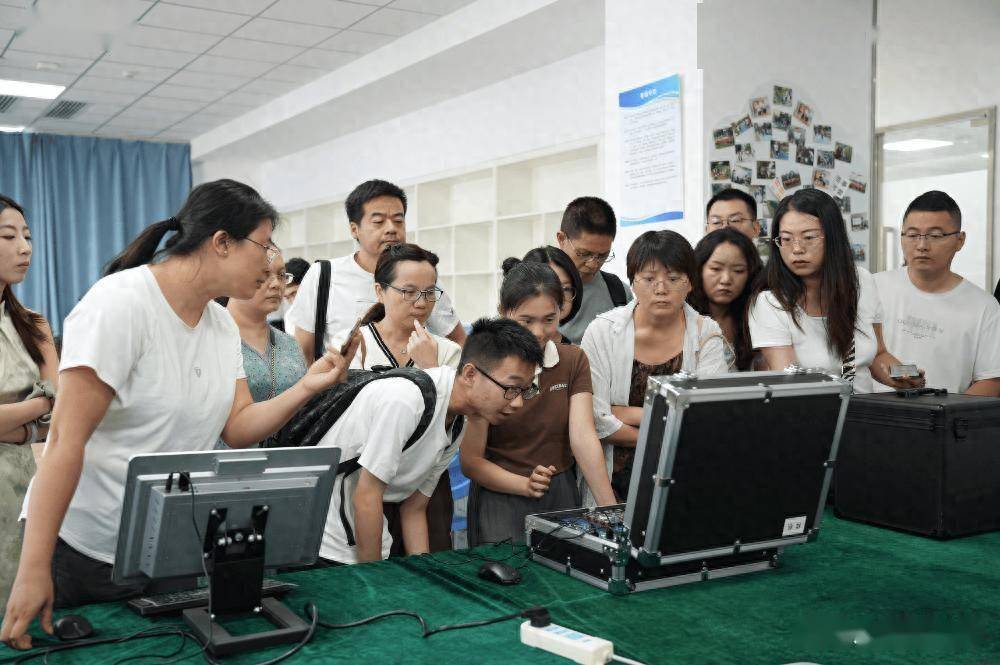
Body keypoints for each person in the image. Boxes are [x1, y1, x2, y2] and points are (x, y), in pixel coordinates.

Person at [1, 180, 359, 648]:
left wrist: (309, 386)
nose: (272, 263)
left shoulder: (220, 324)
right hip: (83, 550)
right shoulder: (120, 304)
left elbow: (238, 428)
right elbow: (64, 443)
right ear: (222, 242)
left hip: (166, 544)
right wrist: (33, 568)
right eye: (264, 244)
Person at [315, 318, 543, 565]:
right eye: (511, 388)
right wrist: (373, 578)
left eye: (525, 390)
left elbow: (414, 507)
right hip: (325, 537)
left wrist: (426, 571)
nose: (518, 403)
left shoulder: (458, 421)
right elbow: (366, 497)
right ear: (469, 374)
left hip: (363, 532)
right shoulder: (407, 400)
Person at [462, 260, 616, 545]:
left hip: (560, 494)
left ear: (562, 310)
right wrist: (524, 485)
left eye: (549, 319)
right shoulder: (487, 366)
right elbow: (471, 461)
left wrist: (610, 510)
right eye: (526, 321)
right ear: (503, 312)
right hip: (501, 496)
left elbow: (583, 437)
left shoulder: (573, 360)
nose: (538, 332)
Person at [332, 243, 461, 554]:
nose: (421, 303)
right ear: (380, 291)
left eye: (429, 292)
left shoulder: (448, 353)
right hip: (356, 490)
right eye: (408, 292)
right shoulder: (352, 345)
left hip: (422, 490)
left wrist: (431, 368)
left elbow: (446, 425)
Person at [581, 231, 729, 499]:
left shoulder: (706, 333)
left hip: (685, 476)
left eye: (673, 278)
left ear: (690, 283)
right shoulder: (601, 332)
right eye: (649, 279)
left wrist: (623, 413)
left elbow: (706, 417)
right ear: (632, 282)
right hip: (611, 480)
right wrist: (666, 432)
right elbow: (596, 418)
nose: (661, 289)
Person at [748, 188, 923, 393]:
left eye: (809, 237)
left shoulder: (861, 282)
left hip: (866, 407)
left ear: (833, 237)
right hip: (814, 408)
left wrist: (902, 376)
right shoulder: (771, 302)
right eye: (786, 239)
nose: (797, 249)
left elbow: (877, 354)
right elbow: (790, 381)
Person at [286, 180, 466, 363]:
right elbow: (303, 354)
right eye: (378, 222)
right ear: (354, 229)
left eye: (398, 221)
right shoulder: (323, 275)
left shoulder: (422, 277)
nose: (391, 229)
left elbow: (458, 340)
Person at [873, 191, 1000, 395]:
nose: (922, 246)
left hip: (948, 413)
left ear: (960, 240)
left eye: (935, 236)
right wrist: (905, 377)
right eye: (912, 235)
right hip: (872, 411)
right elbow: (863, 356)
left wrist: (947, 412)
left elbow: (991, 379)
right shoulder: (873, 288)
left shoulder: (985, 307)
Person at [0, 196, 59, 612]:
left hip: (25, 487)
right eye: (9, 236)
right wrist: (38, 408)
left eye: (27, 236)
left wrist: (23, 425)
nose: (25, 248)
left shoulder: (34, 324)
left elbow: (61, 409)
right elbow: (49, 400)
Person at [219, 252, 308, 448]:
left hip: (287, 462)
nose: (276, 284)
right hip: (225, 461)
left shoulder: (290, 345)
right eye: (265, 274)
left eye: (282, 275)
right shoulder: (212, 337)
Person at [556, 197, 633, 344]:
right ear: (561, 239)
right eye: (583, 253)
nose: (593, 264)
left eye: (602, 255)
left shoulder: (619, 292)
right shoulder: (532, 287)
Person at [688, 228, 763, 370]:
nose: (726, 279)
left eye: (738, 271)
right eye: (716, 269)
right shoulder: (681, 315)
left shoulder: (757, 316)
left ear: (750, 274)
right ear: (699, 269)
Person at [518, 245, 583, 343]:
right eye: (550, 288)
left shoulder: (571, 350)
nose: (560, 297)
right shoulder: (502, 343)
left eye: (566, 289)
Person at [268, 256, 309, 335]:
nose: (293, 302)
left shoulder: (331, 306)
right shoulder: (290, 318)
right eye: (287, 298)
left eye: (294, 293)